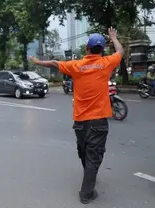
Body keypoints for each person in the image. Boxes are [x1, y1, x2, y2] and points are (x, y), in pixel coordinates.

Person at [29, 27, 124, 204]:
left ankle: (89, 173)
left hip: (80, 121)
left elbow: (54, 64)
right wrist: (114, 37)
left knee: (84, 151)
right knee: (94, 155)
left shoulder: (76, 66)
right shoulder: (106, 63)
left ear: (87, 48)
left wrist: (37, 61)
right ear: (102, 50)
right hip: (98, 121)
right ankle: (86, 194)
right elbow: (120, 51)